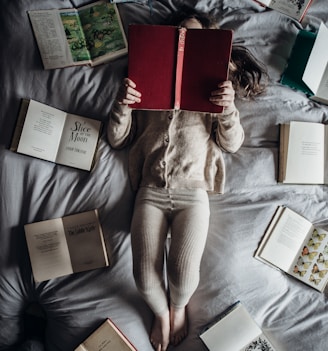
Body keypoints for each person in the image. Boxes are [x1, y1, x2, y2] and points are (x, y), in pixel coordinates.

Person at [107, 6, 268, 351]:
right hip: (150, 190)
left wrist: (227, 108)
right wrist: (123, 104)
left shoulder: (214, 88)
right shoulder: (146, 84)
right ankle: (162, 314)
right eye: (180, 33)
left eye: (195, 37)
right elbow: (117, 138)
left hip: (193, 192)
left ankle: (178, 307)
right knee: (143, 276)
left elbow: (232, 143)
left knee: (182, 273)